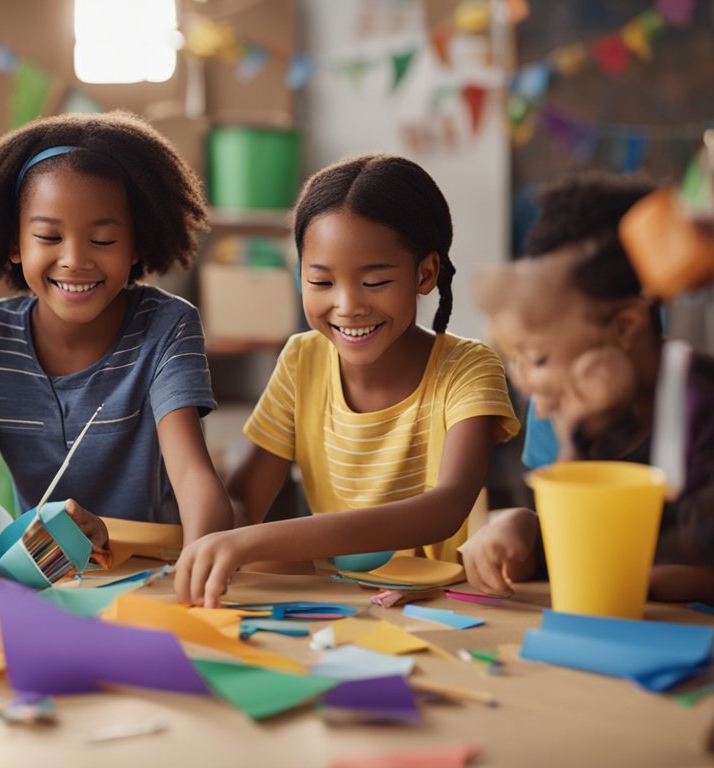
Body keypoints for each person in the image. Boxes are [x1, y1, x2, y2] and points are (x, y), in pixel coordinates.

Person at [175, 154, 520, 608]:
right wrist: (217, 541)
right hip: (333, 603)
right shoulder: (301, 360)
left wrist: (251, 543)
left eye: (375, 282)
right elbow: (242, 500)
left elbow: (446, 507)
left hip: (442, 604)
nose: (347, 305)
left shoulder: (468, 368)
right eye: (320, 282)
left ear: (426, 273)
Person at [0, 111, 233, 551]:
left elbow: (193, 475)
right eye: (48, 237)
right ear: (14, 244)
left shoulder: (166, 327)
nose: (75, 260)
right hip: (40, 574)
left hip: (151, 566)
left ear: (137, 243)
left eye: (102, 241)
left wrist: (202, 558)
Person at [459, 171, 714, 601]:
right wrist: (522, 527)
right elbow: (578, 544)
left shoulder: (701, 407)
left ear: (625, 325)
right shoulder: (580, 415)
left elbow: (694, 564)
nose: (526, 380)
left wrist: (589, 567)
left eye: (539, 357)